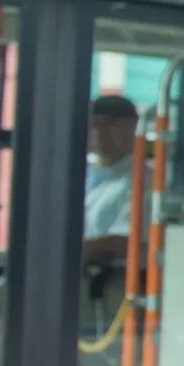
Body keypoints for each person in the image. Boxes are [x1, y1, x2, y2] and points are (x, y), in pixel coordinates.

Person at [81, 93, 140, 268]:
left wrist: (65, 249)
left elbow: (124, 242)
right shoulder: (86, 174)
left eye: (107, 124)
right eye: (93, 124)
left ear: (131, 126)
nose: (98, 132)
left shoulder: (141, 179)